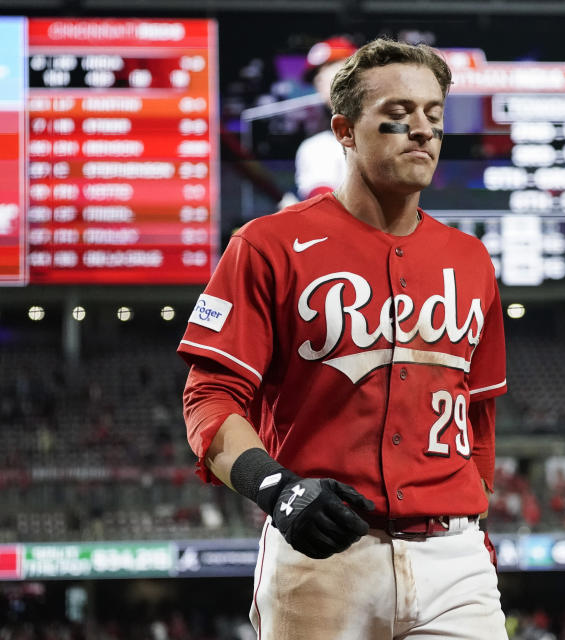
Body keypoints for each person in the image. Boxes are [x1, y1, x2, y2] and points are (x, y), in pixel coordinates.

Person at [178, 38, 509, 639]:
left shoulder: (472, 261)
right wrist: (278, 491)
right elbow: (209, 397)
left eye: (434, 115)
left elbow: (478, 412)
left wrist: (473, 524)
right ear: (345, 131)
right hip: (324, 552)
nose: (423, 132)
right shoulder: (266, 245)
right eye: (400, 115)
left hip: (454, 561)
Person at [294, 36, 357, 200]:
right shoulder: (318, 148)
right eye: (316, 73)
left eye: (330, 65)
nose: (319, 78)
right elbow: (324, 208)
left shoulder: (398, 122)